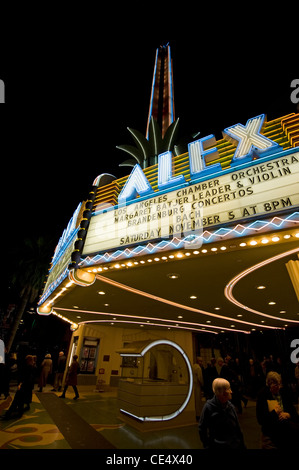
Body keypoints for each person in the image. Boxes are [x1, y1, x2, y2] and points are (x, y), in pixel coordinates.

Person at [198, 378, 246, 449]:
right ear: (221, 392)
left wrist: (242, 445)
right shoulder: (208, 407)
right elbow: (202, 429)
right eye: (228, 389)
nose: (231, 391)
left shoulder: (230, 407)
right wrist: (207, 445)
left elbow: (237, 428)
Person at [256, 371, 299, 449]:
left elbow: (294, 413)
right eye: (276, 385)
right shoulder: (263, 395)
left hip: (287, 430)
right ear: (269, 385)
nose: (279, 387)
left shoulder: (283, 392)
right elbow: (261, 420)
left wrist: (288, 414)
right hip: (271, 433)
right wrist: (274, 413)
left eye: (280, 384)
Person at [1, 355, 35, 420]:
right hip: (27, 387)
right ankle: (17, 413)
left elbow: (26, 378)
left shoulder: (29, 367)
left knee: (16, 400)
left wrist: (20, 384)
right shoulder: (32, 367)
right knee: (19, 401)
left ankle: (8, 415)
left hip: (24, 387)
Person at [193, 357, 204, 421]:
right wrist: (202, 385)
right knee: (198, 401)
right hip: (197, 385)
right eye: (201, 361)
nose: (201, 363)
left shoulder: (193, 366)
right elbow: (200, 378)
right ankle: (198, 415)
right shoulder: (198, 368)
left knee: (195, 401)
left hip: (193, 385)